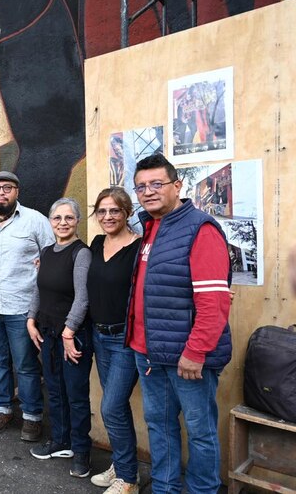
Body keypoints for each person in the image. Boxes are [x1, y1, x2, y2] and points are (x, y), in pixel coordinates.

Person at [128, 154, 231, 494]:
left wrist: (196, 351)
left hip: (188, 359)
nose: (148, 191)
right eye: (141, 186)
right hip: (149, 353)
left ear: (177, 185)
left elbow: (214, 303)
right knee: (159, 425)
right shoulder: (148, 228)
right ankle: (165, 488)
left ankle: (203, 490)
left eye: (157, 183)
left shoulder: (200, 228)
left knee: (200, 431)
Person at [0, 171, 54, 441]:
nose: (1, 193)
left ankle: (31, 416)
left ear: (17, 191)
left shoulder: (35, 221)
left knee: (26, 364)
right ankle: (3, 408)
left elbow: (54, 256)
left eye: (7, 188)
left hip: (21, 307)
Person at [28, 198, 93, 479]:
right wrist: (31, 319)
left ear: (77, 221)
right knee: (54, 390)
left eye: (68, 217)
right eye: (57, 218)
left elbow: (83, 298)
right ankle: (61, 441)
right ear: (50, 221)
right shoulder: (46, 251)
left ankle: (81, 452)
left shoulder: (82, 254)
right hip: (48, 332)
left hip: (72, 336)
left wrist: (70, 331)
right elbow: (38, 289)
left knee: (76, 395)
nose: (62, 223)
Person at [87, 187, 142, 494]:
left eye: (115, 211)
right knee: (116, 407)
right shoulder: (96, 243)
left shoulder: (138, 247)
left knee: (111, 407)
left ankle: (129, 480)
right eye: (103, 211)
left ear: (127, 213)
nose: (108, 217)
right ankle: (122, 467)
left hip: (124, 338)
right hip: (98, 334)